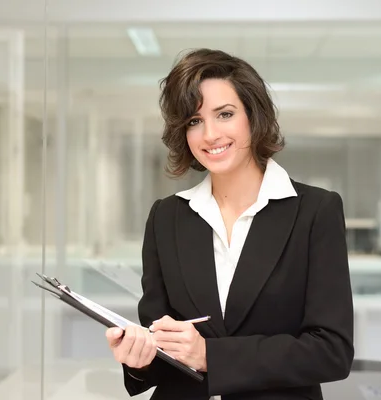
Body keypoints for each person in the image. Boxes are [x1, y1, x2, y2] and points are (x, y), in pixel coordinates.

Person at [105, 48, 354, 400]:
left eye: (224, 114)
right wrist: (139, 358)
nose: (209, 135)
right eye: (194, 120)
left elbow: (331, 351)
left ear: (254, 116)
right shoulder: (167, 216)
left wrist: (211, 357)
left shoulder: (316, 211)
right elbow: (165, 345)